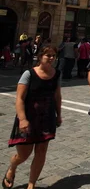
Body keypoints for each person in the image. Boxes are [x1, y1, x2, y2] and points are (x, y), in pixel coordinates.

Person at [4, 46, 61, 189]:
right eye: (48, 55)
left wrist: (59, 114)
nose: (51, 58)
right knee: (23, 155)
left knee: (41, 152)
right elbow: (19, 98)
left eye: (53, 55)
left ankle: (31, 184)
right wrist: (22, 119)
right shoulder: (28, 74)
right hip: (28, 118)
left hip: (47, 118)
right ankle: (12, 166)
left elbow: (57, 96)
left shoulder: (56, 73)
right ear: (40, 56)